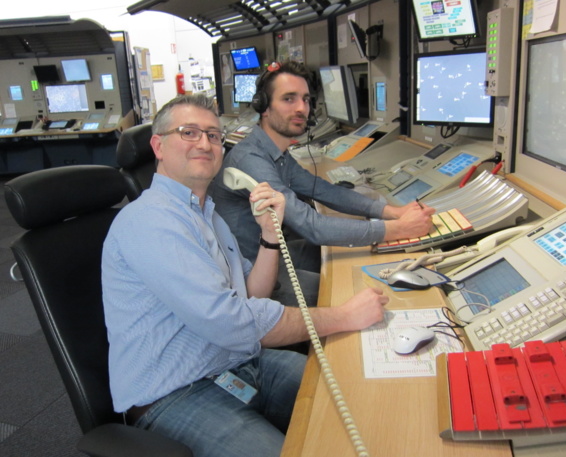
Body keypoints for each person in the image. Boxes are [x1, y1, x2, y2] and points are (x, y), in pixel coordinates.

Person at [101, 94, 388, 457]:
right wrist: (345, 316)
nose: (204, 143)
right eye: (189, 133)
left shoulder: (207, 216)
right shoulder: (151, 221)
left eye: (213, 135)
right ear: (158, 145)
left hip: (236, 362)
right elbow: (233, 323)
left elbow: (252, 295)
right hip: (176, 392)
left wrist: (270, 235)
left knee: (361, 396)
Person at [209, 61, 436, 303]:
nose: (301, 108)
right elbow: (312, 226)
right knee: (351, 291)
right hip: (251, 273)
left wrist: (391, 212)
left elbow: (321, 189)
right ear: (264, 106)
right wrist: (398, 229)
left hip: (272, 253)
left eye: (305, 100)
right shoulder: (251, 159)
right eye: (289, 99)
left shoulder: (276, 153)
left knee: (347, 260)